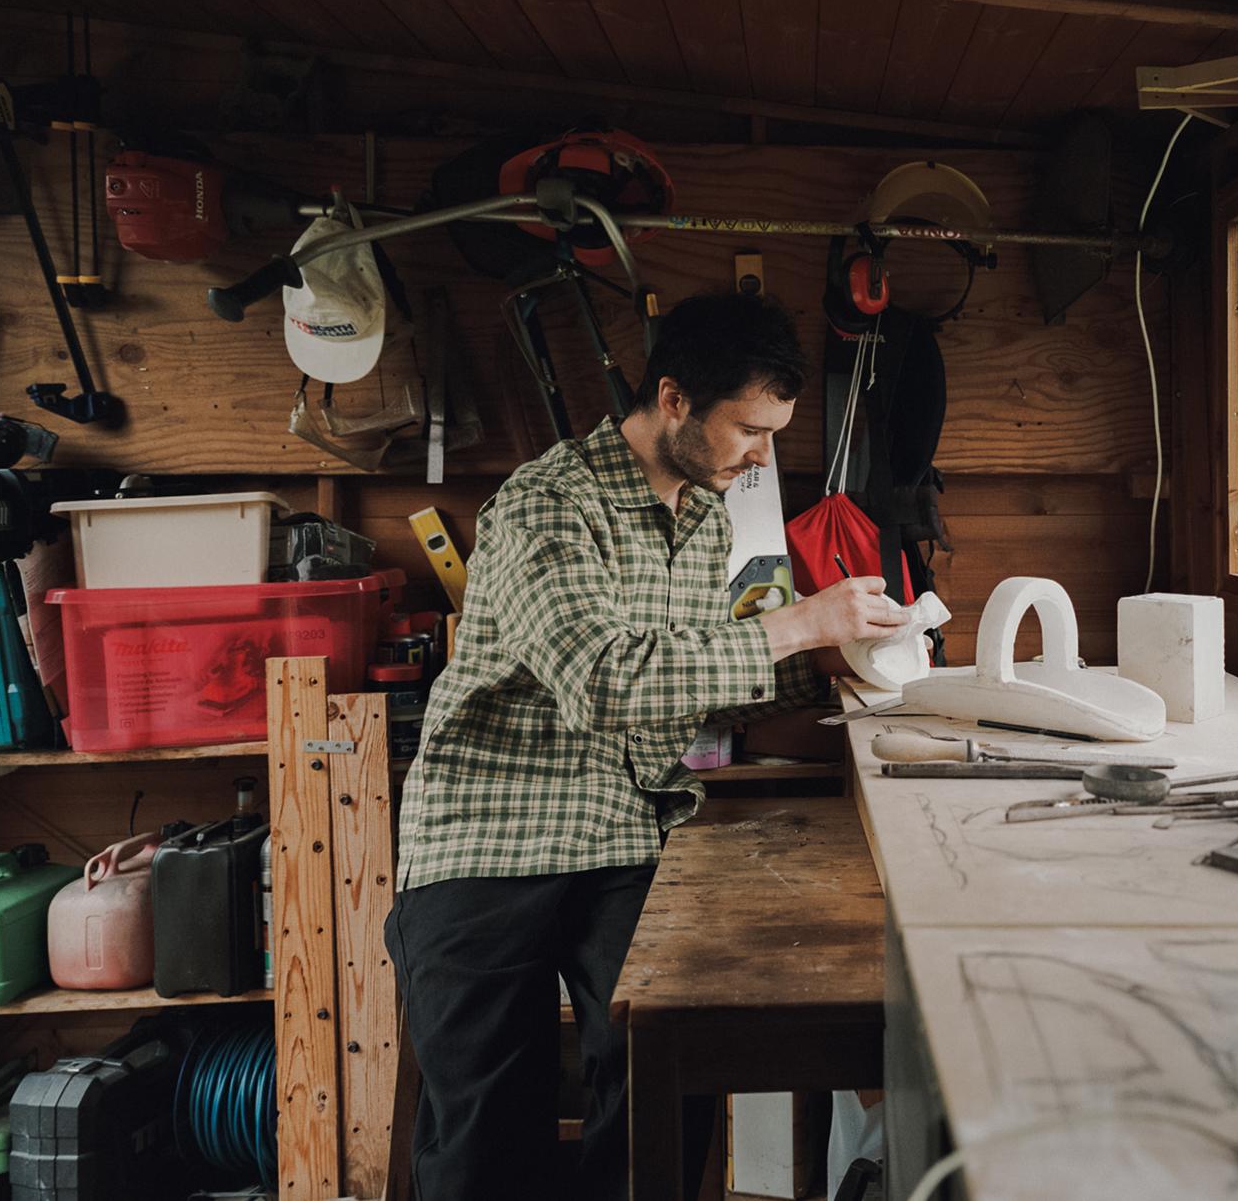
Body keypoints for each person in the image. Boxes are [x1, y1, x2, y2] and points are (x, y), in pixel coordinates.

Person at [386, 292, 906, 1199]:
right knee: (484, 1135)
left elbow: (701, 679)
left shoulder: (705, 523)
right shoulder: (548, 503)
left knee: (669, 1070)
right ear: (673, 399)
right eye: (748, 430)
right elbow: (605, 683)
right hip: (490, 831)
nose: (761, 457)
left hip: (626, 831)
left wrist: (846, 661)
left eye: (772, 433)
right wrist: (793, 624)